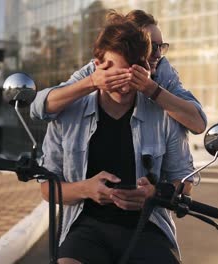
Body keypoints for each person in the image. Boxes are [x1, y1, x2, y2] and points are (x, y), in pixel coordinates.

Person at [40, 11, 195, 264]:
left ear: (146, 69)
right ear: (97, 66)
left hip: (149, 228)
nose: (123, 86)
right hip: (85, 228)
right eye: (115, 75)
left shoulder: (166, 113)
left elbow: (185, 181)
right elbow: (47, 189)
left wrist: (154, 193)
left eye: (132, 76)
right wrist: (86, 189)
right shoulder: (67, 113)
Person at [31, 10, 207, 134]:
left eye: (161, 46)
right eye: (152, 46)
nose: (158, 54)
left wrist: (151, 89)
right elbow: (37, 108)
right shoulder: (99, 68)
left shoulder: (163, 71)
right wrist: (92, 82)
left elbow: (198, 124)